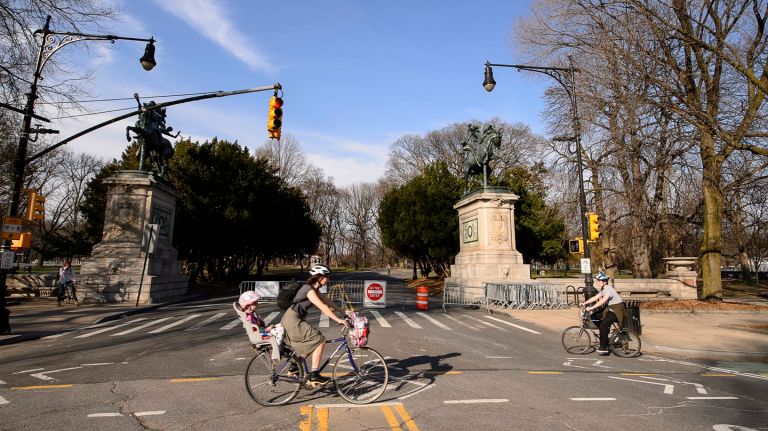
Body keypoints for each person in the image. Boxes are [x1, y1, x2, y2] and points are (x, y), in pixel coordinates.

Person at [280, 264, 350, 386]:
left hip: (294, 319)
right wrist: (338, 320)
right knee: (319, 340)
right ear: (319, 277)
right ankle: (313, 375)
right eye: (326, 277)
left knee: (312, 342)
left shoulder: (315, 289)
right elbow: (323, 307)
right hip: (292, 320)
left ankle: (294, 367)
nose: (328, 279)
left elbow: (327, 301)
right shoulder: (309, 290)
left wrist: (344, 312)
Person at [581, 271, 625, 354]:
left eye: (599, 281)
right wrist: (585, 303)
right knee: (594, 316)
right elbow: (595, 297)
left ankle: (604, 347)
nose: (597, 282)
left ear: (604, 282)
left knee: (603, 326)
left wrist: (591, 307)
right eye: (597, 280)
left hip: (616, 310)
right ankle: (604, 333)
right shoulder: (603, 289)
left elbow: (603, 300)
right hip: (609, 308)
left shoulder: (608, 289)